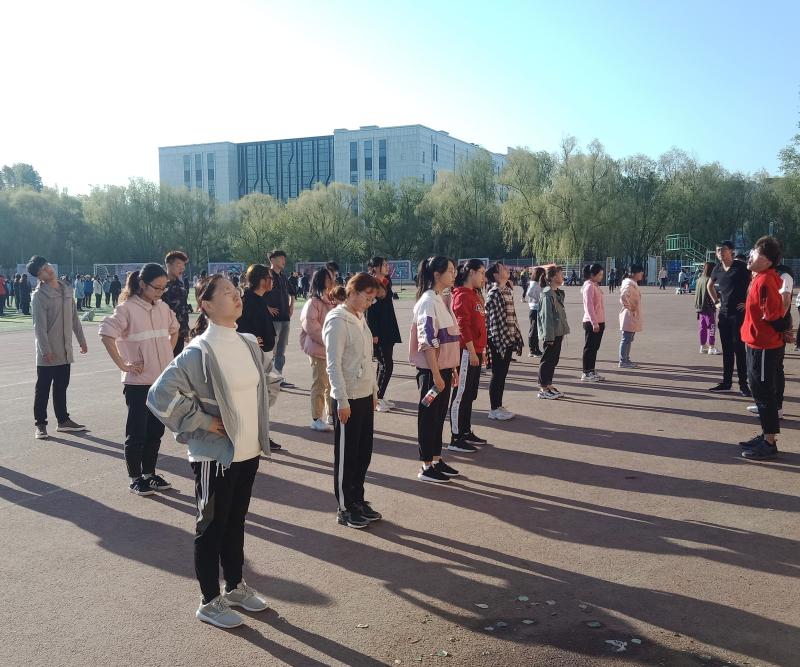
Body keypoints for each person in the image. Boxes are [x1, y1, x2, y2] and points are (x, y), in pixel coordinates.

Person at [147, 274, 278, 629]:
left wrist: (258, 414)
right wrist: (204, 422)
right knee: (211, 527)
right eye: (227, 293)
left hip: (248, 450)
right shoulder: (198, 352)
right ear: (206, 305)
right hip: (214, 457)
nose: (236, 297)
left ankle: (234, 587)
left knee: (235, 522)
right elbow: (159, 396)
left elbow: (270, 379)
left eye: (236, 291)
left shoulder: (247, 342)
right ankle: (209, 601)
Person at [98, 263, 178, 496]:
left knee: (155, 432)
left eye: (163, 288)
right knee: (137, 433)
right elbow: (106, 333)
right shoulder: (127, 309)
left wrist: (168, 355)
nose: (160, 292)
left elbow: (175, 329)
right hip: (138, 383)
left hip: (160, 382)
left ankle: (149, 474)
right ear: (142, 284)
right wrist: (123, 364)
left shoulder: (163, 307)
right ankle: (135, 478)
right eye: (156, 288)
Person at [323, 272, 382, 529]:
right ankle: (345, 507)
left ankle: (358, 499)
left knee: (363, 452)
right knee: (347, 456)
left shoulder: (359, 318)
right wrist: (342, 400)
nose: (369, 303)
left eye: (372, 299)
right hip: (347, 398)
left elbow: (367, 358)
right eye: (367, 297)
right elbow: (333, 365)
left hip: (364, 394)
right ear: (353, 292)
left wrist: (374, 391)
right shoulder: (337, 321)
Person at [410, 257, 462, 483]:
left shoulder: (440, 299)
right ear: (437, 275)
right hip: (432, 372)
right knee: (428, 417)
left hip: (444, 370)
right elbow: (427, 340)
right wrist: (437, 374)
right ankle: (426, 465)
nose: (454, 274)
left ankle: (437, 458)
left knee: (439, 416)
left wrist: (452, 368)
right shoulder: (428, 301)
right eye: (450, 271)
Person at [27, 256, 88, 439]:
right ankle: (40, 424)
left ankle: (63, 421)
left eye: (47, 266)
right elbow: (39, 327)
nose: (48, 270)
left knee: (61, 386)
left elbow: (74, 318)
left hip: (65, 349)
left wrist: (81, 340)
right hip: (48, 351)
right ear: (39, 276)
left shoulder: (66, 289)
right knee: (43, 389)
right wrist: (46, 351)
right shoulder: (39, 296)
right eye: (43, 270)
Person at [738, 237, 787, 460]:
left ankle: (770, 442)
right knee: (758, 391)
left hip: (765, 346)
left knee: (765, 394)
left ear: (767, 261)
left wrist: (783, 330)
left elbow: (774, 314)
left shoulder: (766, 280)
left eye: (755, 253)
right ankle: (766, 436)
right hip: (755, 343)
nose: (750, 256)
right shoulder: (758, 277)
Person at [236, 264, 282, 452]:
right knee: (257, 397)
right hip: (252, 356)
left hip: (263, 354)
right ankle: (255, 436)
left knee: (264, 395)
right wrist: (251, 340)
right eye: (269, 278)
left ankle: (259, 434)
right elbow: (237, 326)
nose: (272, 281)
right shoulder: (246, 300)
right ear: (262, 280)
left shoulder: (259, 299)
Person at [449, 259, 488, 452]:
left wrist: (481, 351)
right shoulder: (462, 295)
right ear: (471, 272)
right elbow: (463, 326)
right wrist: (472, 351)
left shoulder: (473, 295)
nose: (483, 277)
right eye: (481, 273)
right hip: (466, 352)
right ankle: (456, 437)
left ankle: (465, 430)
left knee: (470, 394)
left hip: (475, 351)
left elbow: (478, 325)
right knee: (461, 394)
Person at [707, 240, 751, 395]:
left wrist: (748, 302)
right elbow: (709, 285)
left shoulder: (741, 267)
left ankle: (743, 385)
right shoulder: (717, 268)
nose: (720, 252)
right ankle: (726, 383)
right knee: (727, 350)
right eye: (718, 250)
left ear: (731, 251)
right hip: (724, 314)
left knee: (739, 349)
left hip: (738, 314)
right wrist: (716, 302)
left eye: (723, 250)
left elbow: (754, 282)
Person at [485, 262, 523, 419]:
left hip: (509, 337)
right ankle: (494, 409)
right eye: (502, 269)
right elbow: (493, 321)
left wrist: (515, 336)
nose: (507, 270)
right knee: (497, 373)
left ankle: (499, 405)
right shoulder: (494, 293)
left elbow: (512, 316)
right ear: (496, 275)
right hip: (498, 339)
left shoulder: (507, 290)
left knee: (503, 374)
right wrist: (498, 340)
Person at [301, 269, 336, 432]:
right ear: (321, 281)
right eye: (329, 278)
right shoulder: (313, 302)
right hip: (319, 350)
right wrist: (329, 340)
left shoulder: (333, 300)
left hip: (331, 350)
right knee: (320, 384)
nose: (332, 280)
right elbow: (311, 326)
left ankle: (330, 414)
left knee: (332, 384)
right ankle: (316, 418)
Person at [366, 256, 402, 413]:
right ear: (375, 267)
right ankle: (377, 399)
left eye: (387, 264)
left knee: (384, 365)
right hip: (378, 331)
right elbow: (369, 311)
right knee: (386, 365)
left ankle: (378, 396)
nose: (387, 267)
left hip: (388, 328)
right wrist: (373, 332)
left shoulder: (386, 282)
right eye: (384, 265)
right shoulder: (370, 284)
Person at [537, 266, 570, 399]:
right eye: (561, 274)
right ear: (553, 277)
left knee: (553, 360)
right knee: (547, 360)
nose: (563, 276)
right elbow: (546, 317)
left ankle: (549, 384)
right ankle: (543, 388)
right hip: (551, 333)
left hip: (558, 331)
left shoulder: (557, 293)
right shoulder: (547, 294)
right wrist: (549, 336)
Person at [264, 250, 294, 387]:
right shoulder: (267, 276)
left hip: (285, 318)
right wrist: (267, 308)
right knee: (271, 350)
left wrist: (291, 305)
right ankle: (268, 379)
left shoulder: (283, 277)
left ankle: (278, 379)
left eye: (284, 258)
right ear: (272, 260)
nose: (284, 261)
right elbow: (258, 294)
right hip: (273, 320)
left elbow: (292, 292)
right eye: (281, 258)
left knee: (281, 351)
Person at [161, 251, 191, 356]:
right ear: (168, 265)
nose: (182, 268)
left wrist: (185, 330)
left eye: (183, 266)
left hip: (180, 333)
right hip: (166, 333)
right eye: (178, 265)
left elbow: (183, 308)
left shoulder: (180, 284)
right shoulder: (161, 285)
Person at [581, 263, 606, 381]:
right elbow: (589, 307)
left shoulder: (595, 285)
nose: (601, 276)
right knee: (589, 348)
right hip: (591, 322)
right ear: (592, 275)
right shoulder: (589, 287)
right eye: (599, 274)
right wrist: (594, 323)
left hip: (599, 320)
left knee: (594, 348)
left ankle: (591, 370)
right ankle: (586, 372)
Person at [618, 264, 644, 368]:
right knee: (626, 339)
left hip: (631, 315)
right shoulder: (629, 285)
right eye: (640, 272)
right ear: (633, 273)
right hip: (628, 315)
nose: (642, 274)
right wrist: (629, 307)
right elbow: (623, 296)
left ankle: (626, 359)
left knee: (629, 339)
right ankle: (623, 361)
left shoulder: (632, 284)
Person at [695, 262, 720, 354]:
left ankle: (702, 346)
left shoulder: (699, 279)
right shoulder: (709, 280)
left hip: (700, 307)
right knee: (711, 327)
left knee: (703, 327)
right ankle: (711, 347)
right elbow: (712, 293)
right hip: (709, 307)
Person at [525, 267, 544, 357]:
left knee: (536, 331)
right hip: (534, 309)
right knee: (533, 330)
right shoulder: (534, 284)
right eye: (543, 274)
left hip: (537, 309)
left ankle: (536, 349)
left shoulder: (537, 283)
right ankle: (532, 350)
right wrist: (538, 299)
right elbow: (529, 293)